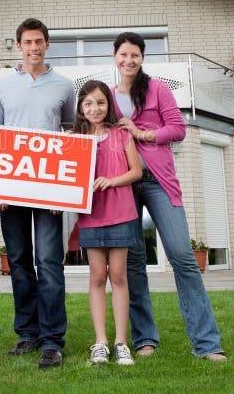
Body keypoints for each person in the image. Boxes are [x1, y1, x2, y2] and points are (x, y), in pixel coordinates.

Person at [112, 32, 227, 362]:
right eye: (123, 55)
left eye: (135, 55)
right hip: (124, 184)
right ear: (114, 58)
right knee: (133, 263)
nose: (129, 60)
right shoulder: (107, 95)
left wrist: (141, 133)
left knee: (182, 257)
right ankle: (144, 338)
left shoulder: (157, 89)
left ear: (142, 58)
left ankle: (206, 343)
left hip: (159, 181)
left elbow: (177, 128)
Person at [0, 18, 76, 370]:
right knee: (20, 261)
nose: (34, 47)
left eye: (39, 41)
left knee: (50, 263)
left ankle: (52, 340)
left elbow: (71, 137)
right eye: (27, 42)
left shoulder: (65, 86)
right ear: (19, 46)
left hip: (49, 190)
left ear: (47, 44)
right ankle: (27, 333)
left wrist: (63, 193)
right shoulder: (2, 86)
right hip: (11, 188)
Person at [72, 80, 141, 365]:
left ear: (108, 104)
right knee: (97, 276)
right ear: (80, 108)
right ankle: (100, 342)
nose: (95, 108)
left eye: (100, 102)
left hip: (121, 214)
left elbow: (136, 171)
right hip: (91, 216)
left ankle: (121, 342)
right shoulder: (74, 138)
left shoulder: (122, 134)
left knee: (119, 276)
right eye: (88, 103)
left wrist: (112, 181)